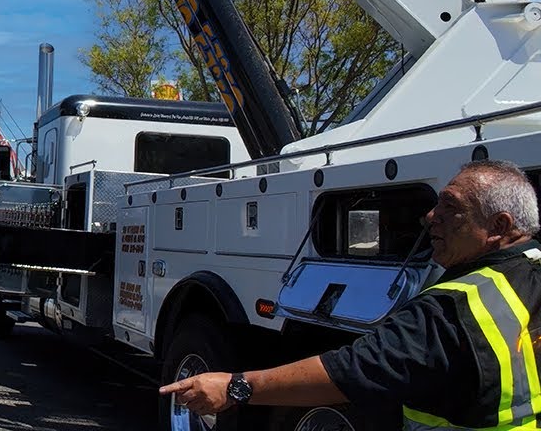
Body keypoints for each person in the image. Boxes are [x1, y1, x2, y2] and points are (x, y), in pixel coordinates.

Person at [160, 159, 541, 429]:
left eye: (450, 207)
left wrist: (234, 386)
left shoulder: (454, 305)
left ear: (499, 226)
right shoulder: (530, 272)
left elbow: (354, 370)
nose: (429, 217)